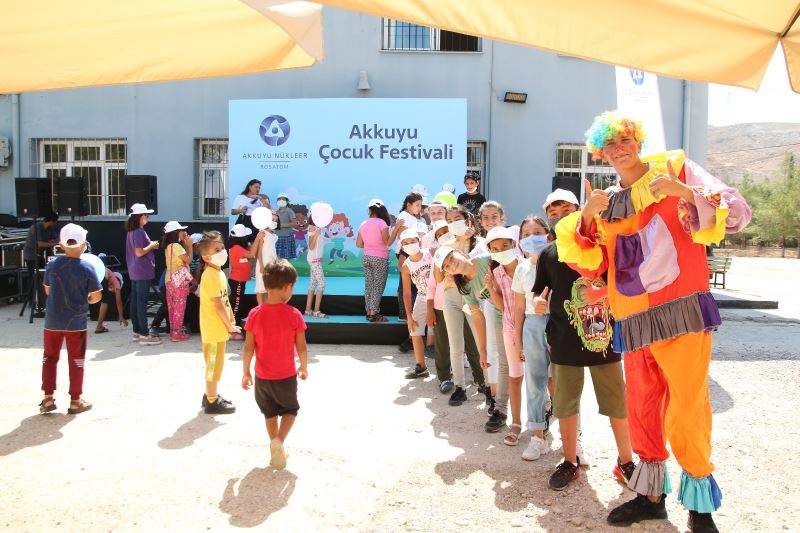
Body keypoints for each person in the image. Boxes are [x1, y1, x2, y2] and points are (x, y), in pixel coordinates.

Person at [558, 111, 751, 531]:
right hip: (633, 321)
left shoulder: (675, 169)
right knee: (642, 408)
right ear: (601, 153)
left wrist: (684, 191)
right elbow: (591, 259)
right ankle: (650, 496)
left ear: (638, 141)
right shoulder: (608, 201)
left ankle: (700, 507)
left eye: (625, 139)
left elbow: (737, 213)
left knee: (688, 407)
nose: (619, 149)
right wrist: (589, 216)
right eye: (610, 145)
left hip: (680, 312)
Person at [536, 188, 636, 491]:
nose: (558, 215)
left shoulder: (605, 243)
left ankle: (626, 462)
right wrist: (539, 305)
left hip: (602, 338)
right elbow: (541, 294)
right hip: (564, 339)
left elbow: (623, 282)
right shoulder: (548, 253)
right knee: (566, 404)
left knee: (616, 401)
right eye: (552, 213)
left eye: (564, 208)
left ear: (581, 209)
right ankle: (569, 461)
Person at [242, 260, 308, 470]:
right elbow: (302, 347)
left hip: (262, 376)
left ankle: (274, 443)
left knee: (269, 412)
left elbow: (248, 348)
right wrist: (304, 367)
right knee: (290, 410)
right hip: (286, 376)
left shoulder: (254, 314)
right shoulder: (294, 314)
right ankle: (279, 440)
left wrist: (246, 373)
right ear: (288, 287)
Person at [434, 245, 503, 430]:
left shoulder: (488, 260)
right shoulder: (463, 285)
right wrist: (482, 350)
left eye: (452, 258)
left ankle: (493, 391)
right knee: (489, 355)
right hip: (495, 322)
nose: (451, 265)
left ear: (460, 252)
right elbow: (478, 313)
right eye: (446, 266)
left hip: (511, 317)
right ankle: (494, 401)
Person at [39, 223, 102, 415]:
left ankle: (48, 398)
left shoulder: (52, 265)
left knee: (49, 358)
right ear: (84, 244)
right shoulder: (87, 267)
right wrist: (87, 299)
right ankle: (75, 401)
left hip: (52, 321)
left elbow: (47, 290)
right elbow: (96, 296)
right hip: (76, 323)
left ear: (61, 244)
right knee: (76, 360)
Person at [511, 215, 553, 461]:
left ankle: (575, 439)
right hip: (532, 326)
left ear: (547, 235)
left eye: (536, 232)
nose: (531, 237)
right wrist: (518, 338)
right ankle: (538, 436)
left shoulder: (558, 261)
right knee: (534, 382)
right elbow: (518, 307)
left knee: (559, 382)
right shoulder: (521, 268)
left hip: (557, 324)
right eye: (525, 234)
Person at [485, 226, 525, 447]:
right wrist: (491, 288)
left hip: (531, 330)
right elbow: (502, 306)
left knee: (541, 377)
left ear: (514, 244)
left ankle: (543, 417)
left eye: (505, 246)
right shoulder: (498, 273)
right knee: (514, 377)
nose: (501, 250)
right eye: (495, 248)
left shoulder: (527, 266)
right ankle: (516, 423)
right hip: (509, 329)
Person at [198, 231, 241, 414]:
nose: (222, 252)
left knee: (216, 364)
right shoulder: (210, 275)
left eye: (222, 248)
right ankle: (212, 400)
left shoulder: (219, 273)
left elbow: (225, 301)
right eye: (217, 249)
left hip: (218, 329)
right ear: (206, 256)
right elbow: (218, 305)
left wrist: (231, 319)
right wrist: (229, 325)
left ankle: (209, 394)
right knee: (214, 365)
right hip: (214, 330)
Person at [125, 203, 161, 346]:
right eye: (145, 215)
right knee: (141, 303)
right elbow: (139, 252)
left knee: (136, 302)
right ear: (139, 217)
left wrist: (150, 244)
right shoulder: (139, 232)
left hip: (134, 270)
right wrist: (152, 245)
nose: (147, 217)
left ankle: (137, 332)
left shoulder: (131, 231)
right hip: (141, 270)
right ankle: (144, 335)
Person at [399, 228, 433, 379]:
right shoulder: (406, 266)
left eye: (412, 241)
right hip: (421, 297)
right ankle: (421, 366)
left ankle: (447, 367)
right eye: (406, 243)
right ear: (402, 246)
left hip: (438, 296)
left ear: (419, 242)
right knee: (415, 331)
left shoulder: (430, 253)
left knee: (443, 331)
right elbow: (406, 293)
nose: (410, 244)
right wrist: (409, 316)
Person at [356, 198, 394, 322]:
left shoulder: (363, 224)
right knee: (378, 286)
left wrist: (370, 246)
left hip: (366, 257)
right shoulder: (382, 224)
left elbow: (358, 244)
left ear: (370, 211)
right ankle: (373, 313)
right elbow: (387, 242)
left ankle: (368, 312)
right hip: (380, 258)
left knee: (369, 285)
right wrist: (396, 229)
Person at [23, 212, 59, 317]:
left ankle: (42, 301)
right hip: (30, 255)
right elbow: (40, 243)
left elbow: (56, 238)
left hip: (39, 255)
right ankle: (32, 301)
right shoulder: (36, 227)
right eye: (55, 222)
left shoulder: (49, 229)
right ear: (51, 221)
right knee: (33, 277)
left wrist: (58, 241)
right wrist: (54, 243)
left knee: (43, 277)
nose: (55, 224)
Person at [395, 192, 423, 322]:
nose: (419, 208)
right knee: (405, 282)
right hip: (405, 251)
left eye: (420, 205)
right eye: (417, 205)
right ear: (408, 204)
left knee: (412, 282)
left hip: (413, 250)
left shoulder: (413, 217)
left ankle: (409, 311)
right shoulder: (403, 216)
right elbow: (402, 235)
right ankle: (403, 313)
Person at [162, 221, 193, 342]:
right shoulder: (177, 246)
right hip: (179, 280)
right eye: (181, 231)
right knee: (179, 307)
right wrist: (189, 245)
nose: (183, 233)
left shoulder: (168, 246)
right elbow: (189, 259)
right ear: (176, 233)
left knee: (172, 307)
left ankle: (173, 331)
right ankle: (177, 333)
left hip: (169, 279)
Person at [228, 223, 253, 339]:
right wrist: (257, 240)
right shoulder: (236, 249)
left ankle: (235, 328)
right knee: (236, 305)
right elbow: (252, 254)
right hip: (237, 280)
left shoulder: (240, 248)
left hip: (240, 280)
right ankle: (233, 330)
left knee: (238, 304)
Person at [304, 215, 327, 318]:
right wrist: (317, 235)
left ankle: (308, 310)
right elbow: (311, 246)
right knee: (322, 284)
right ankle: (316, 311)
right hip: (314, 260)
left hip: (316, 260)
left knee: (313, 284)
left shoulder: (318, 228)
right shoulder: (312, 228)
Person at [252, 219, 278, 305]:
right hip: (263, 262)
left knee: (268, 287)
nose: (274, 222)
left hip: (271, 263)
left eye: (276, 220)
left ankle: (267, 307)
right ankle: (260, 307)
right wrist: (262, 266)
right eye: (273, 219)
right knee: (260, 286)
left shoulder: (274, 235)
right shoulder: (263, 233)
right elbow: (259, 252)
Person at [94, 268, 127, 334]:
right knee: (105, 301)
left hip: (92, 273)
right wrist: (121, 316)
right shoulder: (116, 283)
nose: (114, 291)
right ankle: (99, 326)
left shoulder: (110, 276)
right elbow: (118, 301)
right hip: (100, 275)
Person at [274, 192, 297, 260]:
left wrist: (283, 225)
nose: (281, 200)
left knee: (286, 259)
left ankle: (286, 270)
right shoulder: (276, 212)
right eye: (279, 199)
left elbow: (294, 223)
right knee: (277, 258)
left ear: (287, 201)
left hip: (287, 237)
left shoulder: (289, 211)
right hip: (277, 238)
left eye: (283, 199)